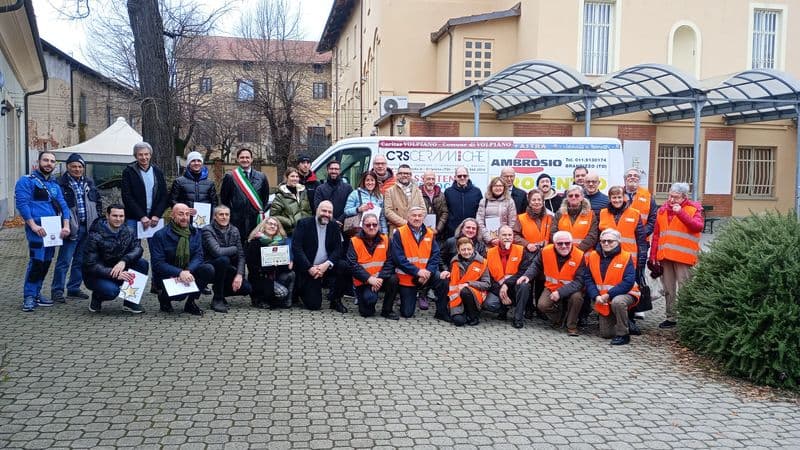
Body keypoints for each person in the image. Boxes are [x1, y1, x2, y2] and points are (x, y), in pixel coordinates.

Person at [16, 151, 71, 311]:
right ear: (38, 161)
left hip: (53, 230)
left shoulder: (54, 185)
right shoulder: (26, 181)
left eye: (52, 161)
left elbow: (63, 205)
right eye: (46, 160)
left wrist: (66, 225)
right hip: (37, 230)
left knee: (46, 262)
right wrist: (33, 225)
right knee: (36, 262)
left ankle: (37, 293)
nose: (49, 163)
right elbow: (22, 204)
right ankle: (29, 296)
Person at [649, 182, 703, 329]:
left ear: (684, 197)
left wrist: (681, 213)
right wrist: (653, 256)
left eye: (676, 197)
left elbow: (697, 226)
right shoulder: (662, 210)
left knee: (685, 288)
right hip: (665, 257)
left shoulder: (693, 209)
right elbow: (657, 235)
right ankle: (671, 317)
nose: (671, 200)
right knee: (668, 289)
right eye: (670, 196)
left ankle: (687, 317)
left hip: (684, 258)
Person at [51, 152, 101, 302]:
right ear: (67, 167)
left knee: (80, 260)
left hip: (88, 228)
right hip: (71, 228)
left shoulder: (89, 182)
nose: (77, 169)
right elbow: (56, 205)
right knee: (64, 261)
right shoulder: (60, 183)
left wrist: (97, 218)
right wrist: (62, 224)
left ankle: (73, 288)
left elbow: (98, 201)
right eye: (74, 166)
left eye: (80, 166)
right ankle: (57, 290)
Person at [82, 204, 149, 314]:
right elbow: (90, 265)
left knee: (142, 263)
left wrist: (124, 261)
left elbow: (138, 249)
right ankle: (97, 297)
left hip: (120, 268)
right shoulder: (94, 235)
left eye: (121, 216)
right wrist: (114, 273)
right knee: (112, 292)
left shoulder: (129, 230)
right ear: (107, 216)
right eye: (115, 216)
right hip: (97, 275)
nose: (118, 219)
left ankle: (130, 302)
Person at [150, 203, 214, 315]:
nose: (185, 217)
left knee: (208, 269)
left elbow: (199, 256)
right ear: (172, 216)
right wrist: (179, 273)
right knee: (179, 296)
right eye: (180, 214)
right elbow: (158, 263)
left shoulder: (195, 233)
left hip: (188, 271)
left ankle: (191, 303)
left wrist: (187, 271)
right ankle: (164, 299)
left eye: (187, 214)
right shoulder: (160, 235)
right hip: (167, 274)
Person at [517, 231, 586, 335]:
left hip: (572, 289)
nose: (564, 246)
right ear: (554, 243)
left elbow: (579, 281)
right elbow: (536, 265)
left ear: (572, 243)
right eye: (560, 243)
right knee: (542, 305)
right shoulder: (545, 251)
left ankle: (571, 325)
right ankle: (559, 318)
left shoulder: (580, 255)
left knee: (577, 298)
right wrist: (527, 276)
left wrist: (560, 293)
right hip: (551, 287)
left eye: (567, 243)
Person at [391, 206, 449, 320]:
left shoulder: (430, 233)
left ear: (423, 217)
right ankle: (403, 300)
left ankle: (441, 312)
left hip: (427, 274)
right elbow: (398, 258)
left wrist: (428, 271)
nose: (417, 218)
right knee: (407, 313)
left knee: (443, 280)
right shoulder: (399, 233)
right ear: (408, 217)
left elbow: (435, 255)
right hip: (408, 277)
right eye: (414, 215)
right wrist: (417, 272)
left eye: (419, 216)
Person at [584, 228, 640, 345]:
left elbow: (628, 281)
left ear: (618, 242)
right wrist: (595, 296)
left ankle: (623, 334)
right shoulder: (593, 256)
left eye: (610, 241)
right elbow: (588, 279)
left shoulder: (625, 256)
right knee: (606, 334)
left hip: (626, 294)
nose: (606, 243)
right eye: (603, 241)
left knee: (618, 302)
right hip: (603, 299)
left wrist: (608, 295)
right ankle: (624, 322)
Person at [291, 201, 348, 312]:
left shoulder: (334, 226)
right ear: (317, 210)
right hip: (309, 268)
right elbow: (297, 248)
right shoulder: (303, 224)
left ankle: (335, 300)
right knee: (314, 305)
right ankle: (299, 291)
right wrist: (310, 268)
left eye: (329, 212)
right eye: (324, 211)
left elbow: (338, 249)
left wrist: (326, 264)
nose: (326, 214)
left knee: (343, 266)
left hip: (325, 266)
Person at [347, 213, 400, 320]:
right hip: (363, 282)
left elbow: (390, 262)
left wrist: (380, 277)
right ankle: (367, 302)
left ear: (379, 226)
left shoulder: (385, 239)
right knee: (367, 312)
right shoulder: (354, 241)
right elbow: (352, 265)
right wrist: (369, 279)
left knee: (394, 279)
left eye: (375, 225)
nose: (372, 227)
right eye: (368, 225)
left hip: (381, 279)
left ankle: (387, 310)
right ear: (362, 225)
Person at [202, 205, 252, 313]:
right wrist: (234, 249)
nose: (224, 217)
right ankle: (217, 299)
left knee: (246, 288)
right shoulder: (207, 230)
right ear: (215, 216)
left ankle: (219, 291)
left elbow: (241, 256)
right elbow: (217, 252)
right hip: (210, 267)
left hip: (228, 267)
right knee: (223, 260)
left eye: (227, 214)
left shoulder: (234, 230)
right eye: (221, 214)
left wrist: (239, 275)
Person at [220, 148, 270, 246]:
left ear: (251, 159)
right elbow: (224, 199)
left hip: (255, 219)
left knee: (254, 245)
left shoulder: (261, 177)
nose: (245, 160)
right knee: (238, 247)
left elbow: (265, 198)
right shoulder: (230, 176)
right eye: (242, 157)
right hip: (236, 219)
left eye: (247, 157)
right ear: (237, 160)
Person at [485, 226, 532, 329]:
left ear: (513, 236)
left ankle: (518, 318)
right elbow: (488, 277)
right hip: (497, 288)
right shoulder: (489, 253)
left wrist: (506, 284)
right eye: (504, 235)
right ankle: (503, 309)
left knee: (525, 286)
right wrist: (501, 291)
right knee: (489, 304)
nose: (507, 237)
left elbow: (523, 271)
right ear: (498, 236)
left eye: (510, 235)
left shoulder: (521, 250)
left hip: (515, 287)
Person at [246, 217, 296, 309]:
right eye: (270, 224)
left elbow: (283, 267)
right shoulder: (255, 242)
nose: (272, 226)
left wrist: (287, 263)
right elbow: (251, 267)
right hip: (260, 277)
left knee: (291, 274)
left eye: (275, 225)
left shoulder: (281, 242)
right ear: (264, 226)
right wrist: (271, 266)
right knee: (282, 292)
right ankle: (258, 299)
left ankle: (286, 302)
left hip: (275, 276)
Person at [121, 142, 168, 237]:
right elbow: (127, 196)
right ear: (135, 156)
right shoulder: (128, 172)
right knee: (131, 247)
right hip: (134, 217)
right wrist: (141, 216)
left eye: (146, 154)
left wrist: (157, 214)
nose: (144, 157)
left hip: (154, 218)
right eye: (140, 154)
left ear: (150, 155)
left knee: (156, 247)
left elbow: (164, 195)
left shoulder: (157, 172)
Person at [444, 237, 490, 326]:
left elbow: (487, 284)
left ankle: (473, 315)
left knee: (465, 291)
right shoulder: (454, 263)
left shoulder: (483, 263)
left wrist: (468, 284)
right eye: (463, 249)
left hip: (474, 296)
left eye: (469, 249)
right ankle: (462, 313)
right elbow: (452, 281)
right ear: (458, 250)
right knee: (458, 321)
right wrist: (446, 273)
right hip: (457, 298)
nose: (466, 252)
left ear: (473, 249)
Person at [599, 186, 647, 272]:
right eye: (614, 197)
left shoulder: (634, 213)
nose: (617, 200)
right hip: (608, 256)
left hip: (629, 257)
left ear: (624, 198)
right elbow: (599, 236)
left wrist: (642, 257)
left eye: (619, 197)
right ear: (609, 199)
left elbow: (641, 239)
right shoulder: (603, 213)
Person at [169, 151, 218, 225]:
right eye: (193, 161)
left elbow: (214, 203)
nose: (196, 163)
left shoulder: (210, 183)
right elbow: (172, 201)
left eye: (199, 161)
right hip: (185, 221)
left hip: (204, 221)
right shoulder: (179, 181)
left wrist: (212, 219)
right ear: (189, 163)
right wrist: (184, 209)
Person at [551, 185, 598, 252]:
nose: (573, 198)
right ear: (567, 197)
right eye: (570, 196)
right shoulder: (559, 213)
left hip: (584, 254)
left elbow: (593, 235)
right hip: (563, 252)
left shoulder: (590, 214)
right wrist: (565, 249)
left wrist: (577, 250)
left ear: (582, 197)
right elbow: (553, 233)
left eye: (577, 195)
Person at [383, 164, 425, 236]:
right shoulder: (389, 191)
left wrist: (414, 222)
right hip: (397, 231)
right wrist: (406, 224)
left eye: (407, 173)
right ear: (397, 175)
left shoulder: (418, 191)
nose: (404, 175)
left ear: (410, 175)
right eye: (401, 173)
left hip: (415, 231)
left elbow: (423, 210)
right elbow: (388, 212)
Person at [270, 167, 312, 236]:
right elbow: (274, 215)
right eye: (292, 176)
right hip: (289, 233)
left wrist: (307, 222)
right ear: (287, 178)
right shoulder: (280, 196)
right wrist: (290, 222)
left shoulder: (303, 192)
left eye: (297, 176)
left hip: (304, 231)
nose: (295, 179)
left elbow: (308, 210)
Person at [476, 176, 517, 247]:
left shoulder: (510, 201)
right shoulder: (484, 201)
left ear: (504, 187)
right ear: (491, 187)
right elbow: (479, 221)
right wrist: (489, 239)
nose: (498, 188)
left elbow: (512, 222)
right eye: (495, 185)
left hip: (505, 241)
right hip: (487, 241)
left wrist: (505, 238)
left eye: (500, 186)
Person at [444, 166, 482, 239]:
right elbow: (446, 211)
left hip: (471, 232)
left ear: (468, 177)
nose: (462, 178)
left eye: (464, 176)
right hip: (452, 232)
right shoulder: (448, 192)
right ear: (455, 177)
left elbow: (480, 212)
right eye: (459, 176)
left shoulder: (477, 192)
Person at [514, 189, 553, 255]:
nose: (537, 202)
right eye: (534, 200)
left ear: (543, 202)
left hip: (547, 253)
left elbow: (554, 235)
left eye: (539, 199)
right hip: (527, 254)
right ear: (529, 202)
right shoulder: (521, 218)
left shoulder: (550, 218)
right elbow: (514, 235)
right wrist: (527, 244)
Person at [314, 160, 353, 225]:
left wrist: (341, 220)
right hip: (326, 224)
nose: (334, 171)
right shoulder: (320, 189)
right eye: (331, 169)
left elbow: (351, 207)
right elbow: (318, 208)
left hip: (344, 225)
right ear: (327, 170)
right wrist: (333, 221)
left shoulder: (348, 188)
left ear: (340, 171)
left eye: (336, 169)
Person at [623, 167, 657, 237]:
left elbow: (653, 219)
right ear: (625, 179)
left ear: (639, 179)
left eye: (636, 176)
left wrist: (643, 233)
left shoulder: (648, 196)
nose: (632, 178)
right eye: (629, 176)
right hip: (620, 237)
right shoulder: (618, 194)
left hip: (641, 238)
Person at [419, 170, 448, 239]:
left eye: (433, 179)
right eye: (428, 179)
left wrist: (438, 229)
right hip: (420, 232)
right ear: (423, 180)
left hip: (437, 233)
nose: (431, 182)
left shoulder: (441, 195)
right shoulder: (417, 193)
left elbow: (444, 213)